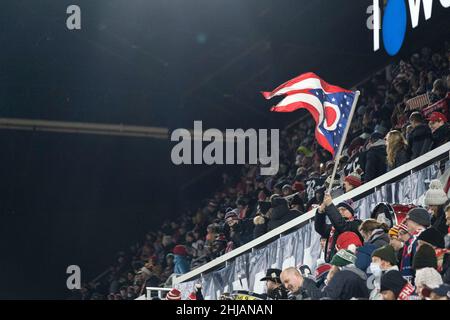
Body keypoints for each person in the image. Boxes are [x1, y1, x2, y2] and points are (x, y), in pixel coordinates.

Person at [315, 193, 363, 263]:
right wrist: (320, 212)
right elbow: (320, 228)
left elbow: (342, 227)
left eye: (343, 209)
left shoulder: (357, 224)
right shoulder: (333, 227)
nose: (340, 212)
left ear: (351, 212)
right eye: (338, 210)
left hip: (351, 261)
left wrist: (330, 205)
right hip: (334, 264)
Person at [401, 208, 431, 282]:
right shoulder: (418, 237)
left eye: (408, 220)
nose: (406, 223)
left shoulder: (419, 239)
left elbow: (421, 267)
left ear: (416, 221)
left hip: (419, 284)